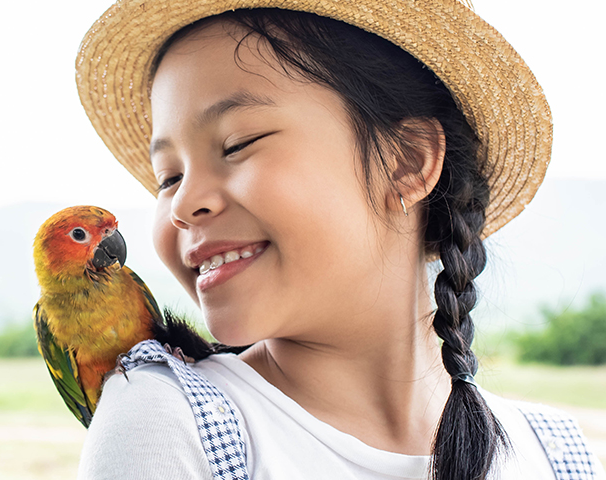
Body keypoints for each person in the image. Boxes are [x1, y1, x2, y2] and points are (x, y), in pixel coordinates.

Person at [74, 1, 605, 479]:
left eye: (238, 143)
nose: (185, 204)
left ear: (408, 161)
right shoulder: (167, 420)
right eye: (168, 177)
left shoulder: (556, 454)